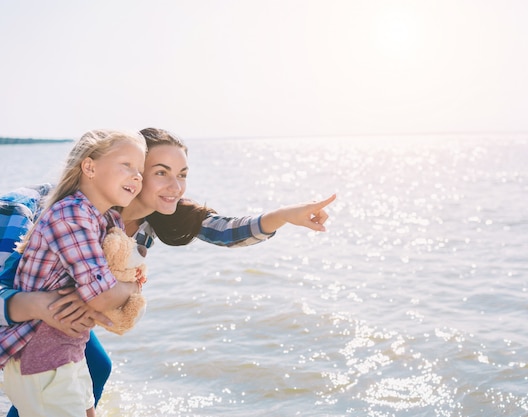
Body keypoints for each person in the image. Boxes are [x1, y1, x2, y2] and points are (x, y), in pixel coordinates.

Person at [0, 127, 336, 416]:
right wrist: (39, 303)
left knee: (96, 369)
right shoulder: (42, 209)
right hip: (15, 321)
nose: (176, 186)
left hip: (59, 331)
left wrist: (286, 215)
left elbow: (223, 229)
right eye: (159, 171)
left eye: (183, 174)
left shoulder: (150, 217)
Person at [0, 129, 147, 417]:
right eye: (126, 165)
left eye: (140, 169)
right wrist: (131, 287)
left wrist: (129, 281)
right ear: (90, 167)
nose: (137, 176)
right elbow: (102, 296)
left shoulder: (102, 216)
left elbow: (119, 270)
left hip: (67, 350)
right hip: (40, 358)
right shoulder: (71, 216)